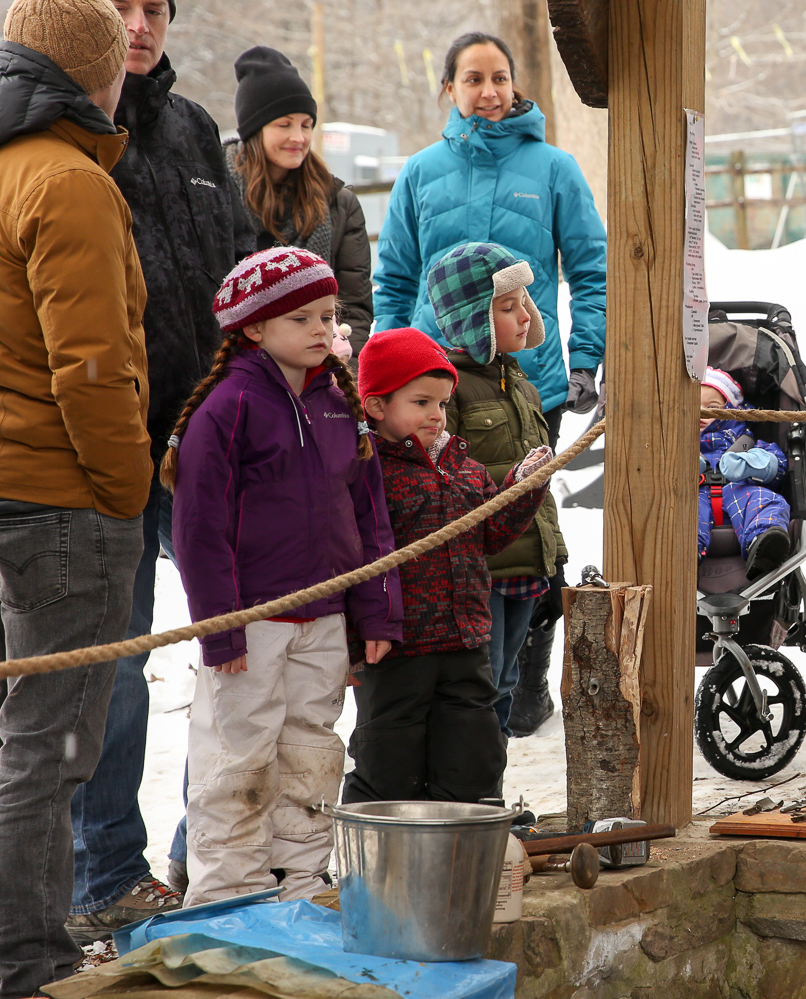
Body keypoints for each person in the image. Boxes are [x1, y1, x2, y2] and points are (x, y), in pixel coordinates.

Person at [66, 0, 246, 939]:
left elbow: (240, 267)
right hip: (104, 453)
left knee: (250, 643)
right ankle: (107, 875)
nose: (139, 27)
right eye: (120, 7)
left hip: (210, 439)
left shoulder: (192, 129)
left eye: (154, 9)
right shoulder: (60, 134)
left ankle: (208, 852)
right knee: (115, 669)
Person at [374, 30, 606, 739]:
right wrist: (389, 370)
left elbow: (591, 266)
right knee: (443, 538)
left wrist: (584, 357)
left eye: (500, 77)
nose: (489, 91)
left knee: (520, 531)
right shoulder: (420, 172)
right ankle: (462, 676)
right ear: (449, 89)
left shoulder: (554, 168)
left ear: (516, 84)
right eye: (472, 78)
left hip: (527, 385)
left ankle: (518, 667)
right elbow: (394, 279)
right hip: (433, 389)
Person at [164, 248, 401, 906]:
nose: (322, 329)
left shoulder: (339, 403)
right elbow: (198, 528)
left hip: (323, 616)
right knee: (238, 757)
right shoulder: (226, 407)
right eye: (301, 317)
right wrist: (221, 627)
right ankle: (226, 893)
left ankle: (300, 881)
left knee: (311, 751)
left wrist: (376, 609)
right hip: (251, 622)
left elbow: (369, 512)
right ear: (253, 328)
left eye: (327, 314)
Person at [0, 0, 150, 997]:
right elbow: (92, 364)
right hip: (61, 495)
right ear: (93, 74)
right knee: (46, 747)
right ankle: (25, 960)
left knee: (23, 739)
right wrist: (127, 486)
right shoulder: (68, 181)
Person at [344, 328, 552, 804]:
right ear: (376, 406)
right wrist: (354, 639)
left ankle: (461, 858)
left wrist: (524, 488)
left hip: (465, 642)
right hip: (396, 650)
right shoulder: (365, 468)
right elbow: (352, 560)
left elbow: (491, 538)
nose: (436, 416)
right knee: (388, 761)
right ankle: (378, 866)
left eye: (441, 403)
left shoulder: (463, 466)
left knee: (474, 757)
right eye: (421, 402)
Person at [424, 241, 568, 734]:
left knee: (505, 680)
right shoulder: (447, 392)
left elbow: (538, 487)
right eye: (507, 308)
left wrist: (554, 556)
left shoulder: (523, 385)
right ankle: (473, 794)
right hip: (479, 569)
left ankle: (492, 790)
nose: (525, 316)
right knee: (480, 686)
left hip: (524, 560)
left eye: (525, 303)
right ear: (471, 319)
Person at [227, 46, 372, 359]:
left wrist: (335, 364)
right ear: (254, 130)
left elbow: (354, 306)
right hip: (237, 369)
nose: (299, 137)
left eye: (307, 125)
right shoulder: (216, 194)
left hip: (318, 370)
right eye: (285, 124)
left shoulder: (338, 204)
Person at [699, 368, 793, 579]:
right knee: (678, 511)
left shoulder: (745, 442)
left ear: (731, 409)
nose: (701, 413)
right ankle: (683, 552)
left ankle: (763, 544)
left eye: (711, 407)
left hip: (738, 493)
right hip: (694, 497)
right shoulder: (673, 442)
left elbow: (777, 464)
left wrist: (754, 463)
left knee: (766, 500)